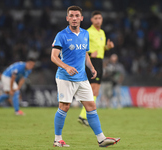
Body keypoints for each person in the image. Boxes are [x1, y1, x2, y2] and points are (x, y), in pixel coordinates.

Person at [51, 6, 120, 147]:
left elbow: (85, 54)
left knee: (91, 106)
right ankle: (57, 139)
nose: (74, 18)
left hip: (82, 78)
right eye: (71, 15)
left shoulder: (85, 34)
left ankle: (101, 139)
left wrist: (92, 68)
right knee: (64, 106)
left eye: (77, 15)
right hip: (65, 77)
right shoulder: (61, 35)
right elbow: (53, 57)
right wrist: (66, 66)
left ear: (81, 18)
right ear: (67, 18)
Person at [78, 11, 114, 126]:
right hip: (91, 62)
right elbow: (81, 48)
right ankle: (84, 115)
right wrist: (89, 53)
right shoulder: (88, 32)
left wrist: (107, 47)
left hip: (99, 62)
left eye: (100, 18)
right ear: (92, 20)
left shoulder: (102, 32)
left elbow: (101, 49)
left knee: (95, 91)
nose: (98, 20)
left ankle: (85, 115)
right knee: (93, 90)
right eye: (96, 18)